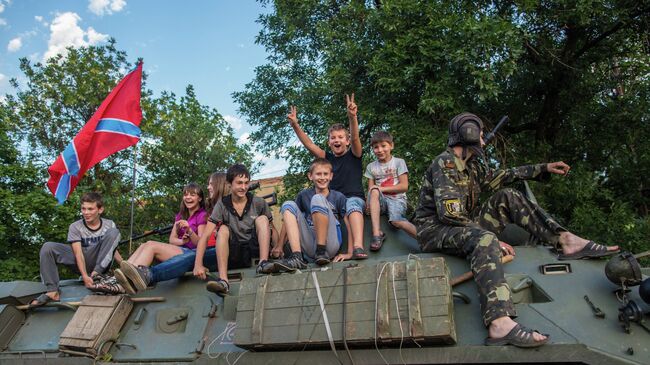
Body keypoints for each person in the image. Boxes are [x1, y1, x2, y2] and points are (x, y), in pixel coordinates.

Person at [414, 112, 619, 348]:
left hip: (459, 226)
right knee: (485, 240)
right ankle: (499, 324)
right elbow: (450, 214)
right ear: (468, 134)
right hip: (435, 231)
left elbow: (503, 176)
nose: (483, 138)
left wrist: (543, 168)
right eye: (480, 133)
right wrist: (493, 240)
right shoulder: (445, 163)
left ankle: (565, 240)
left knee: (508, 196)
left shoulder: (471, 167)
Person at [288, 94, 367, 261]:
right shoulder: (327, 159)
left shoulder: (354, 154)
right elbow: (309, 144)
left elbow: (355, 137)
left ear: (346, 142)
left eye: (340, 137)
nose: (336, 140)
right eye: (333, 138)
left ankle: (357, 247)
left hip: (353, 200)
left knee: (352, 203)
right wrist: (295, 125)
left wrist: (352, 117)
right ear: (329, 142)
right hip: (333, 203)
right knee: (317, 201)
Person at [100, 182, 208, 294]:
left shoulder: (202, 215)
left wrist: (190, 231)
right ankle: (120, 278)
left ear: (199, 198)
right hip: (180, 250)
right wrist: (182, 241)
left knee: (151, 245)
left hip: (191, 254)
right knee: (144, 245)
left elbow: (201, 243)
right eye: (185, 195)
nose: (188, 197)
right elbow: (172, 240)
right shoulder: (180, 215)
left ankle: (124, 280)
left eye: (192, 195)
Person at [193, 164, 277, 295]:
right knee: (223, 229)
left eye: (246, 183)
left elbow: (273, 229)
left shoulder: (259, 202)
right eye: (239, 183)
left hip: (254, 247)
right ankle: (223, 281)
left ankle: (263, 263)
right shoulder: (222, 205)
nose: (243, 187)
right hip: (234, 251)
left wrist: (278, 248)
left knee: (263, 220)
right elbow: (205, 236)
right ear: (229, 184)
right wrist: (198, 264)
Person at [30, 192, 121, 307]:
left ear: (100, 210)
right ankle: (52, 291)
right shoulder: (75, 226)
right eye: (83, 209)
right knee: (48, 247)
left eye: (90, 209)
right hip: (81, 261)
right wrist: (84, 276)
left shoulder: (109, 224)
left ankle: (96, 274)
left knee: (114, 233)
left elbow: (112, 248)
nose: (86, 213)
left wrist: (124, 264)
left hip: (100, 263)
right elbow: (78, 253)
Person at [275, 158, 349, 270]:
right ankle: (297, 257)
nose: (322, 177)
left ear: (331, 176)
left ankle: (321, 250)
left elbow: (349, 223)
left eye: (325, 174)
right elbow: (290, 220)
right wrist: (279, 246)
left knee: (318, 198)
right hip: (310, 244)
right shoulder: (303, 195)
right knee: (288, 204)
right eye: (318, 174)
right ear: (310, 176)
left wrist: (350, 252)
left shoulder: (338, 197)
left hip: (330, 243)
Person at [364, 131, 416, 251]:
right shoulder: (371, 167)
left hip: (397, 199)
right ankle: (377, 234)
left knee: (396, 221)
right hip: (380, 201)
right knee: (374, 191)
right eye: (376, 147)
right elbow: (370, 189)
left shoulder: (398, 162)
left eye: (383, 146)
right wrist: (368, 203)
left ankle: (425, 239)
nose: (380, 150)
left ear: (391, 146)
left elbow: (404, 186)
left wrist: (380, 188)